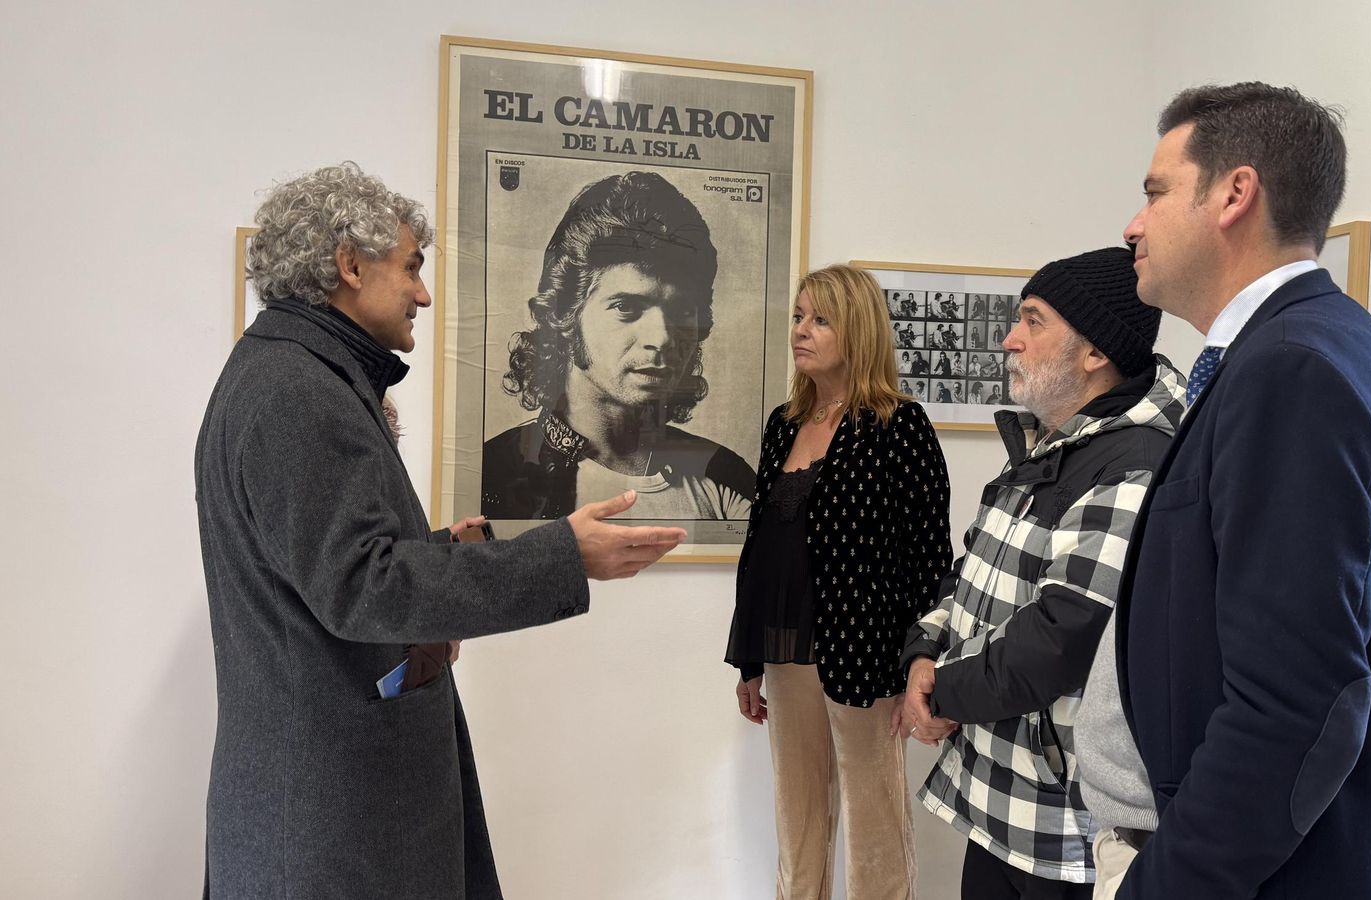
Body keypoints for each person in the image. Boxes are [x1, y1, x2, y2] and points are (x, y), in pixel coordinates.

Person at [196, 163, 685, 899]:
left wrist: (438, 556)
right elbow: (363, 587)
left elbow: (320, 568)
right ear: (349, 265)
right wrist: (563, 556)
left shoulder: (287, 375)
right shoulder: (298, 393)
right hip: (332, 816)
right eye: (410, 268)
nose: (423, 293)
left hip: (322, 798)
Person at [1115, 82, 1371, 899]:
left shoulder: (1293, 369)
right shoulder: (1311, 346)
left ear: (1235, 194)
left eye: (1154, 193)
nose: (1133, 225)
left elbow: (1295, 708)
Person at [900, 248, 1179, 899]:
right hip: (998, 806)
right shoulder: (1043, 444)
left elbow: (1060, 638)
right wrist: (923, 651)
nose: (1010, 338)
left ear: (1094, 352)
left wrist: (939, 692)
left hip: (1063, 829)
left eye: (1033, 320)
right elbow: (968, 571)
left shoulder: (1136, 460)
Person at [725, 264, 952, 900]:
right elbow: (760, 547)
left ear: (858, 331)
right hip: (785, 648)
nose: (802, 330)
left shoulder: (899, 427)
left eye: (820, 319)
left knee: (873, 822)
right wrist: (747, 659)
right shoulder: (783, 424)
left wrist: (920, 661)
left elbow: (930, 558)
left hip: (868, 653)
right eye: (799, 316)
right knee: (796, 818)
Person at [482, 170, 755, 521]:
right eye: (627, 307)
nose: (662, 339)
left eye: (682, 311)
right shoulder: (495, 473)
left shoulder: (726, 478)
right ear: (564, 314)